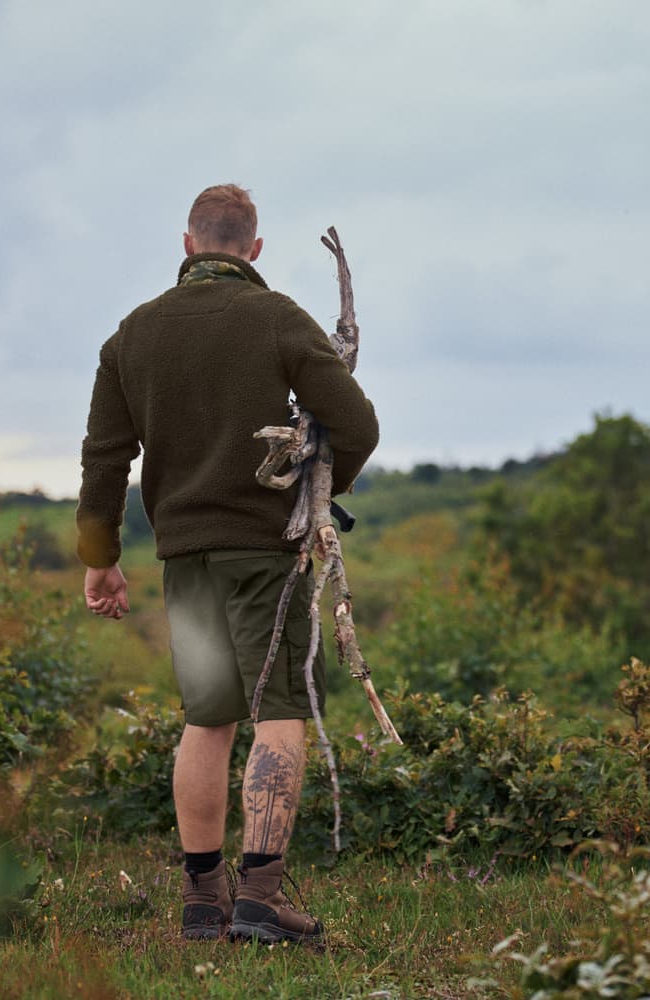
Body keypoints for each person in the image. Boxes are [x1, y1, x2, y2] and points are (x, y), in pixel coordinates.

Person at [75, 184, 378, 944]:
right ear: (256, 250)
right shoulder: (275, 317)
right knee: (279, 712)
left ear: (187, 245)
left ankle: (203, 899)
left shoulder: (131, 336)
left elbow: (105, 457)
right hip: (262, 553)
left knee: (205, 718)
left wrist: (99, 560)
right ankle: (261, 897)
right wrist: (319, 490)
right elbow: (358, 423)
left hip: (184, 557)